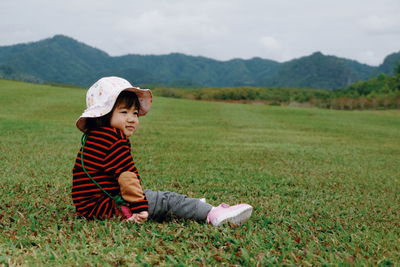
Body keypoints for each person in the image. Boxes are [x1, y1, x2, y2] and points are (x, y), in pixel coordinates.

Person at [72, 76, 253, 226]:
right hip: (109, 207)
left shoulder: (94, 137)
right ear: (104, 114)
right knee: (165, 199)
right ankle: (213, 214)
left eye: (135, 113)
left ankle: (190, 206)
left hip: (90, 207)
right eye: (124, 112)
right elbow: (127, 176)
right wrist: (139, 207)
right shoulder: (113, 139)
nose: (132, 119)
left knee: (157, 198)